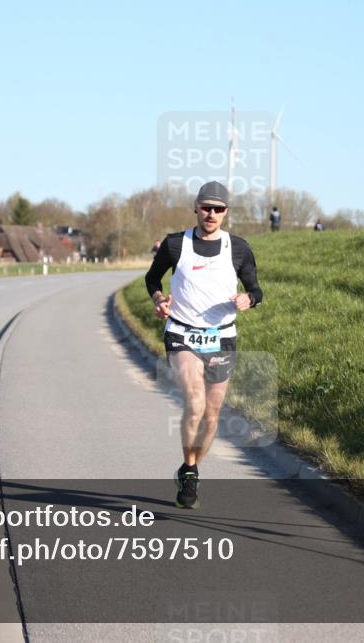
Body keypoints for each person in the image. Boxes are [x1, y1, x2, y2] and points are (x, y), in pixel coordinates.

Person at [145, 180, 263, 509]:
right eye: (206, 207)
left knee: (212, 414)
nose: (211, 214)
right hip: (182, 332)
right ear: (195, 208)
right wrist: (159, 300)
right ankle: (192, 472)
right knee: (195, 402)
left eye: (218, 209)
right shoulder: (174, 245)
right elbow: (152, 278)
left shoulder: (238, 248)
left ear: (226, 213)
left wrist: (248, 298)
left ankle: (188, 467)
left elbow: (256, 288)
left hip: (221, 336)